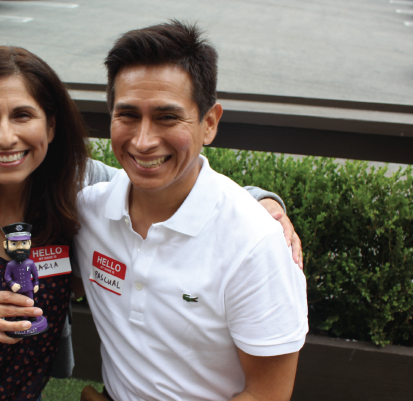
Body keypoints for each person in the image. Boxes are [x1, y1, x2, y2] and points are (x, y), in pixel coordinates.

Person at [0, 45, 298, 401]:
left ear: (50, 126)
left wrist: (263, 203)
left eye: (23, 115)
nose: (6, 137)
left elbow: (165, 184)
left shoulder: (73, 188)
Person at [75, 21, 308, 401]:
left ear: (209, 123)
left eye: (167, 117)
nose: (144, 141)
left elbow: (267, 394)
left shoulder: (255, 245)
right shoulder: (89, 211)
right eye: (128, 115)